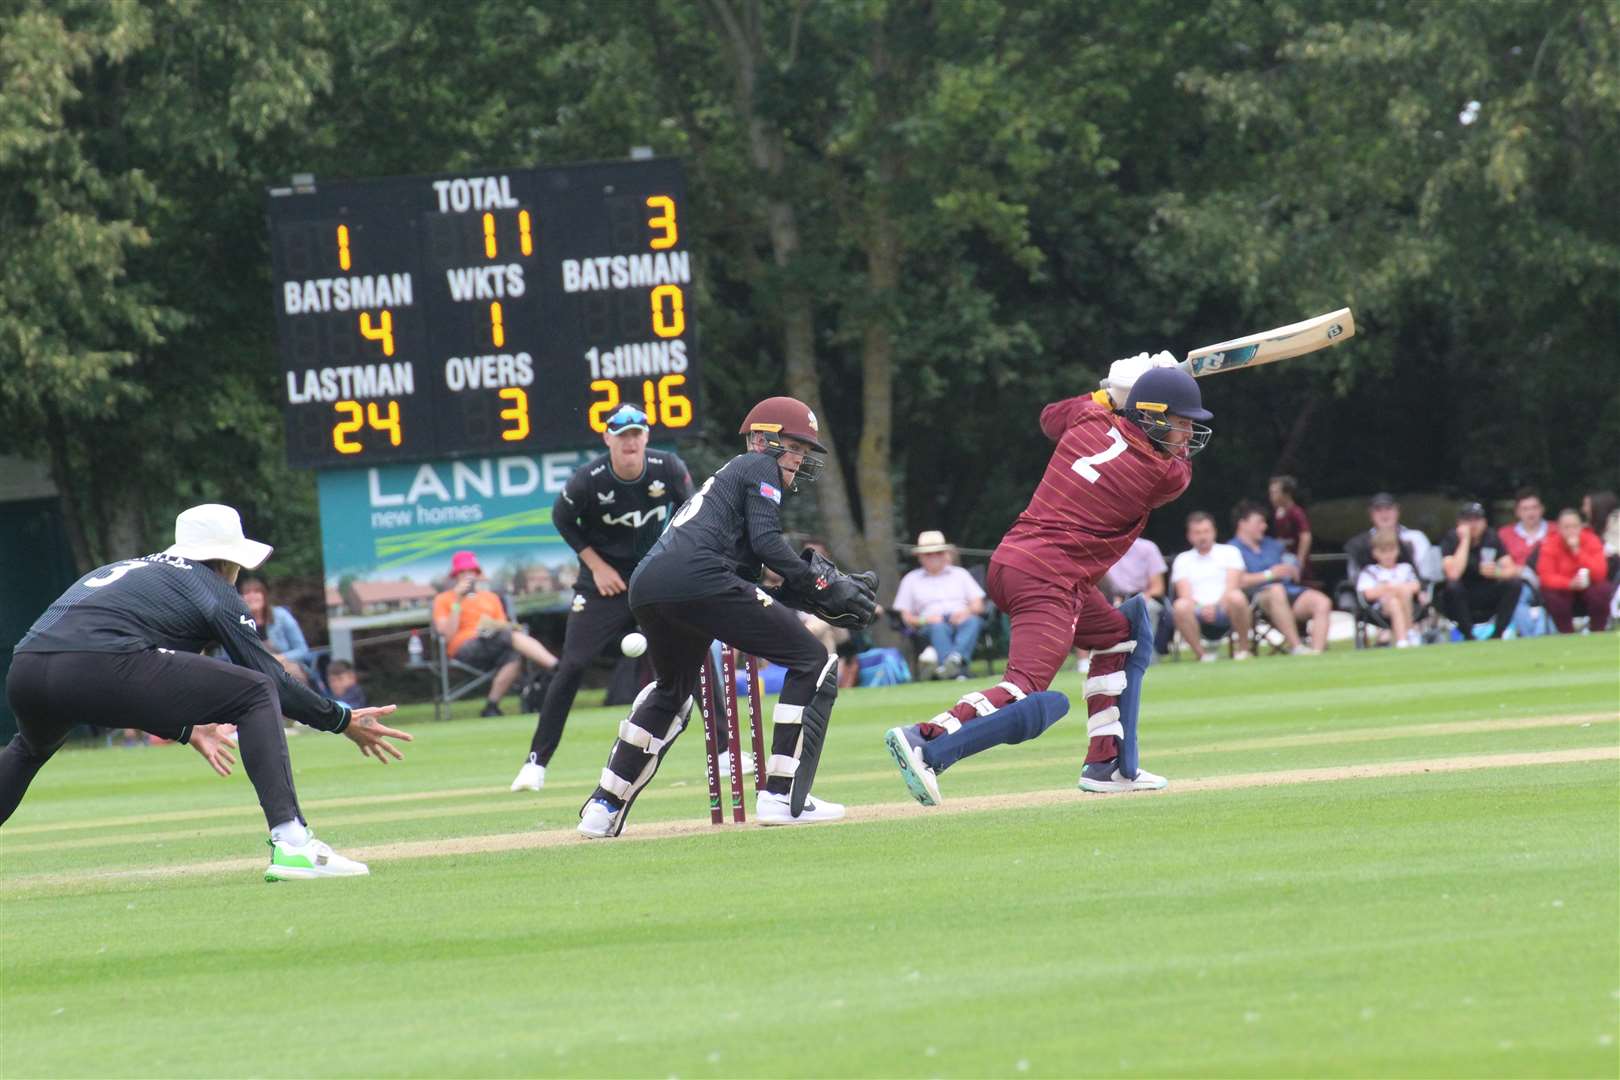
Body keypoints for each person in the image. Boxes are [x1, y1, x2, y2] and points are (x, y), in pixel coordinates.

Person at [1, 504, 411, 880]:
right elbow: (270, 677)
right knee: (255, 691)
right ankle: (293, 844)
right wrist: (340, 719)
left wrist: (185, 728)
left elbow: (126, 679)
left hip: (27, 667)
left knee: (28, 750)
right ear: (228, 559)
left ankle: (293, 843)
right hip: (99, 663)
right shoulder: (212, 588)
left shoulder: (135, 569)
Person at [884, 356, 1213, 806]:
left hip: (1021, 562)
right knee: (1025, 690)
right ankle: (925, 740)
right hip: (1047, 578)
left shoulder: (1089, 420)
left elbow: (1048, 417)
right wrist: (1145, 389)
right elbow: (1181, 472)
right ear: (1151, 418)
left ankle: (1109, 763)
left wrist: (1111, 393)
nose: (1187, 436)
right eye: (1179, 424)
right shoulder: (1159, 473)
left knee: (1122, 633)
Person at [577, 396, 878, 836]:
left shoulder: (725, 491)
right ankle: (781, 793)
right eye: (794, 447)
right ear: (763, 439)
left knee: (672, 693)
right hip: (700, 579)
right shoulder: (757, 465)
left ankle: (602, 808)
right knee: (812, 660)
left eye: (804, 452)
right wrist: (821, 584)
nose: (798, 460)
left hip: (652, 585)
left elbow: (747, 582)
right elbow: (767, 543)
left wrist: (802, 593)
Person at [509, 404, 695, 792]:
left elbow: (689, 513)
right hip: (602, 584)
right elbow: (562, 519)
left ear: (646, 436)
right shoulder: (588, 480)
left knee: (689, 656)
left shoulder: (668, 468)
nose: (630, 441)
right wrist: (596, 566)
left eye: (636, 434)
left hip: (651, 578)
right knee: (572, 665)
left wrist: (667, 559)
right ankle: (535, 763)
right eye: (622, 434)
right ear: (608, 438)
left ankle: (727, 753)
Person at [431, 549, 558, 717]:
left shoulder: (490, 597)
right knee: (509, 637)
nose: (468, 575)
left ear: (477, 574)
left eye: (472, 571)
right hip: (464, 648)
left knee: (513, 654)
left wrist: (498, 626)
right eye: (463, 572)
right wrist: (458, 601)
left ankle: (491, 706)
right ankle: (558, 667)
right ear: (456, 575)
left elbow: (503, 625)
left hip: (494, 641)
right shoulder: (444, 599)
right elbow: (446, 635)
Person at [1229, 501, 1332, 654]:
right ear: (1242, 524)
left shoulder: (1273, 545)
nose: (1264, 527)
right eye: (1259, 522)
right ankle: (1296, 647)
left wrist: (1293, 568)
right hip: (1258, 598)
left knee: (1322, 602)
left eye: (1264, 522)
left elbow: (1291, 564)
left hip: (1289, 590)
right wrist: (1270, 574)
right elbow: (1239, 581)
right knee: (1276, 591)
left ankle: (1317, 653)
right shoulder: (1231, 549)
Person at [891, 531, 987, 680]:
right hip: (929, 624)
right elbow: (906, 617)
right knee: (939, 627)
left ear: (945, 554)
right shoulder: (911, 580)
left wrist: (966, 612)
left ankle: (953, 662)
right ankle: (957, 670)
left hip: (961, 619)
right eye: (928, 554)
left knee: (973, 621)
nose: (934, 557)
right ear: (920, 557)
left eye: (938, 553)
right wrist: (926, 620)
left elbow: (978, 605)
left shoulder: (960, 574)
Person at [1170, 511, 1251, 661]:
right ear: (1189, 536)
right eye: (1197, 532)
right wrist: (1202, 608)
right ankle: (1202, 656)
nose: (1202, 536)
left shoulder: (1230, 552)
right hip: (1196, 610)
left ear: (1214, 532)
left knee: (1237, 597)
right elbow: (1184, 594)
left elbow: (1232, 586)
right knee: (1180, 605)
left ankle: (1244, 650)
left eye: (1206, 531)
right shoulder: (1182, 559)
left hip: (1225, 606)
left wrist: (1216, 607)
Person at [1439, 501, 1520, 639]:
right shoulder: (1451, 538)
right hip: (1462, 595)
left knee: (1514, 584)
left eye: (1477, 519)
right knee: (1453, 587)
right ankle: (1469, 635)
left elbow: (1513, 570)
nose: (1473, 524)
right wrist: (1465, 540)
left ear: (1484, 522)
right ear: (1459, 523)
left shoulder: (1491, 537)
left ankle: (1497, 634)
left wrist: (1497, 572)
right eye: (1468, 520)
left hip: (1487, 591)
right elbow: (1453, 574)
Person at [1537, 508, 1613, 633]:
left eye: (1575, 526)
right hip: (1564, 587)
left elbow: (1600, 573)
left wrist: (1578, 552)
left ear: (1581, 526)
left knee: (1602, 590)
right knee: (1552, 595)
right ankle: (1567, 633)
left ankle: (1598, 631)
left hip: (1589, 585)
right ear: (1559, 528)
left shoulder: (1591, 540)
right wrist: (1569, 583)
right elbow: (1546, 577)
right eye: (1566, 527)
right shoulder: (1550, 544)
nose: (1571, 531)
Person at [239, 575, 315, 686]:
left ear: (264, 595)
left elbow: (302, 650)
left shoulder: (281, 616)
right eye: (247, 593)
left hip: (285, 667)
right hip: (255, 670)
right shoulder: (239, 621)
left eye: (256, 592)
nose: (252, 596)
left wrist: (280, 658)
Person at [1356, 529, 1424, 647]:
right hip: (1381, 608)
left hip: (1407, 603)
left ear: (1397, 550)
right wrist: (1390, 589)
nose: (1388, 555)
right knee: (1394, 601)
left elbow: (1416, 586)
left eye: (1391, 550)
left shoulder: (1405, 568)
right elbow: (1366, 593)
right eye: (1383, 551)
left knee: (1401, 596)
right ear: (1375, 553)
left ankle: (1405, 636)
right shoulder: (1370, 572)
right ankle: (1406, 636)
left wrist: (1391, 588)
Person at [1346, 493, 1434, 580]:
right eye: (1378, 510)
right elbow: (1354, 577)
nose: (1384, 514)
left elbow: (1426, 573)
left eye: (1388, 508)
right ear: (1371, 514)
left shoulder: (1416, 537)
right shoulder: (1359, 543)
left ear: (1397, 511)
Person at [1268, 475, 1313, 568]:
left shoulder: (1296, 513)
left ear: (1286, 494)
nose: (1271, 497)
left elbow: (1305, 536)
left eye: (1275, 493)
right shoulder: (1276, 513)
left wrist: (1299, 562)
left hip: (1293, 562)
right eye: (1271, 493)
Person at [1496, 487, 1548, 568]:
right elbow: (1497, 568)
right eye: (1525, 509)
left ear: (1542, 509)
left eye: (1534, 507)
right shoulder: (1504, 534)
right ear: (1517, 512)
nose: (1531, 513)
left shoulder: (1557, 530)